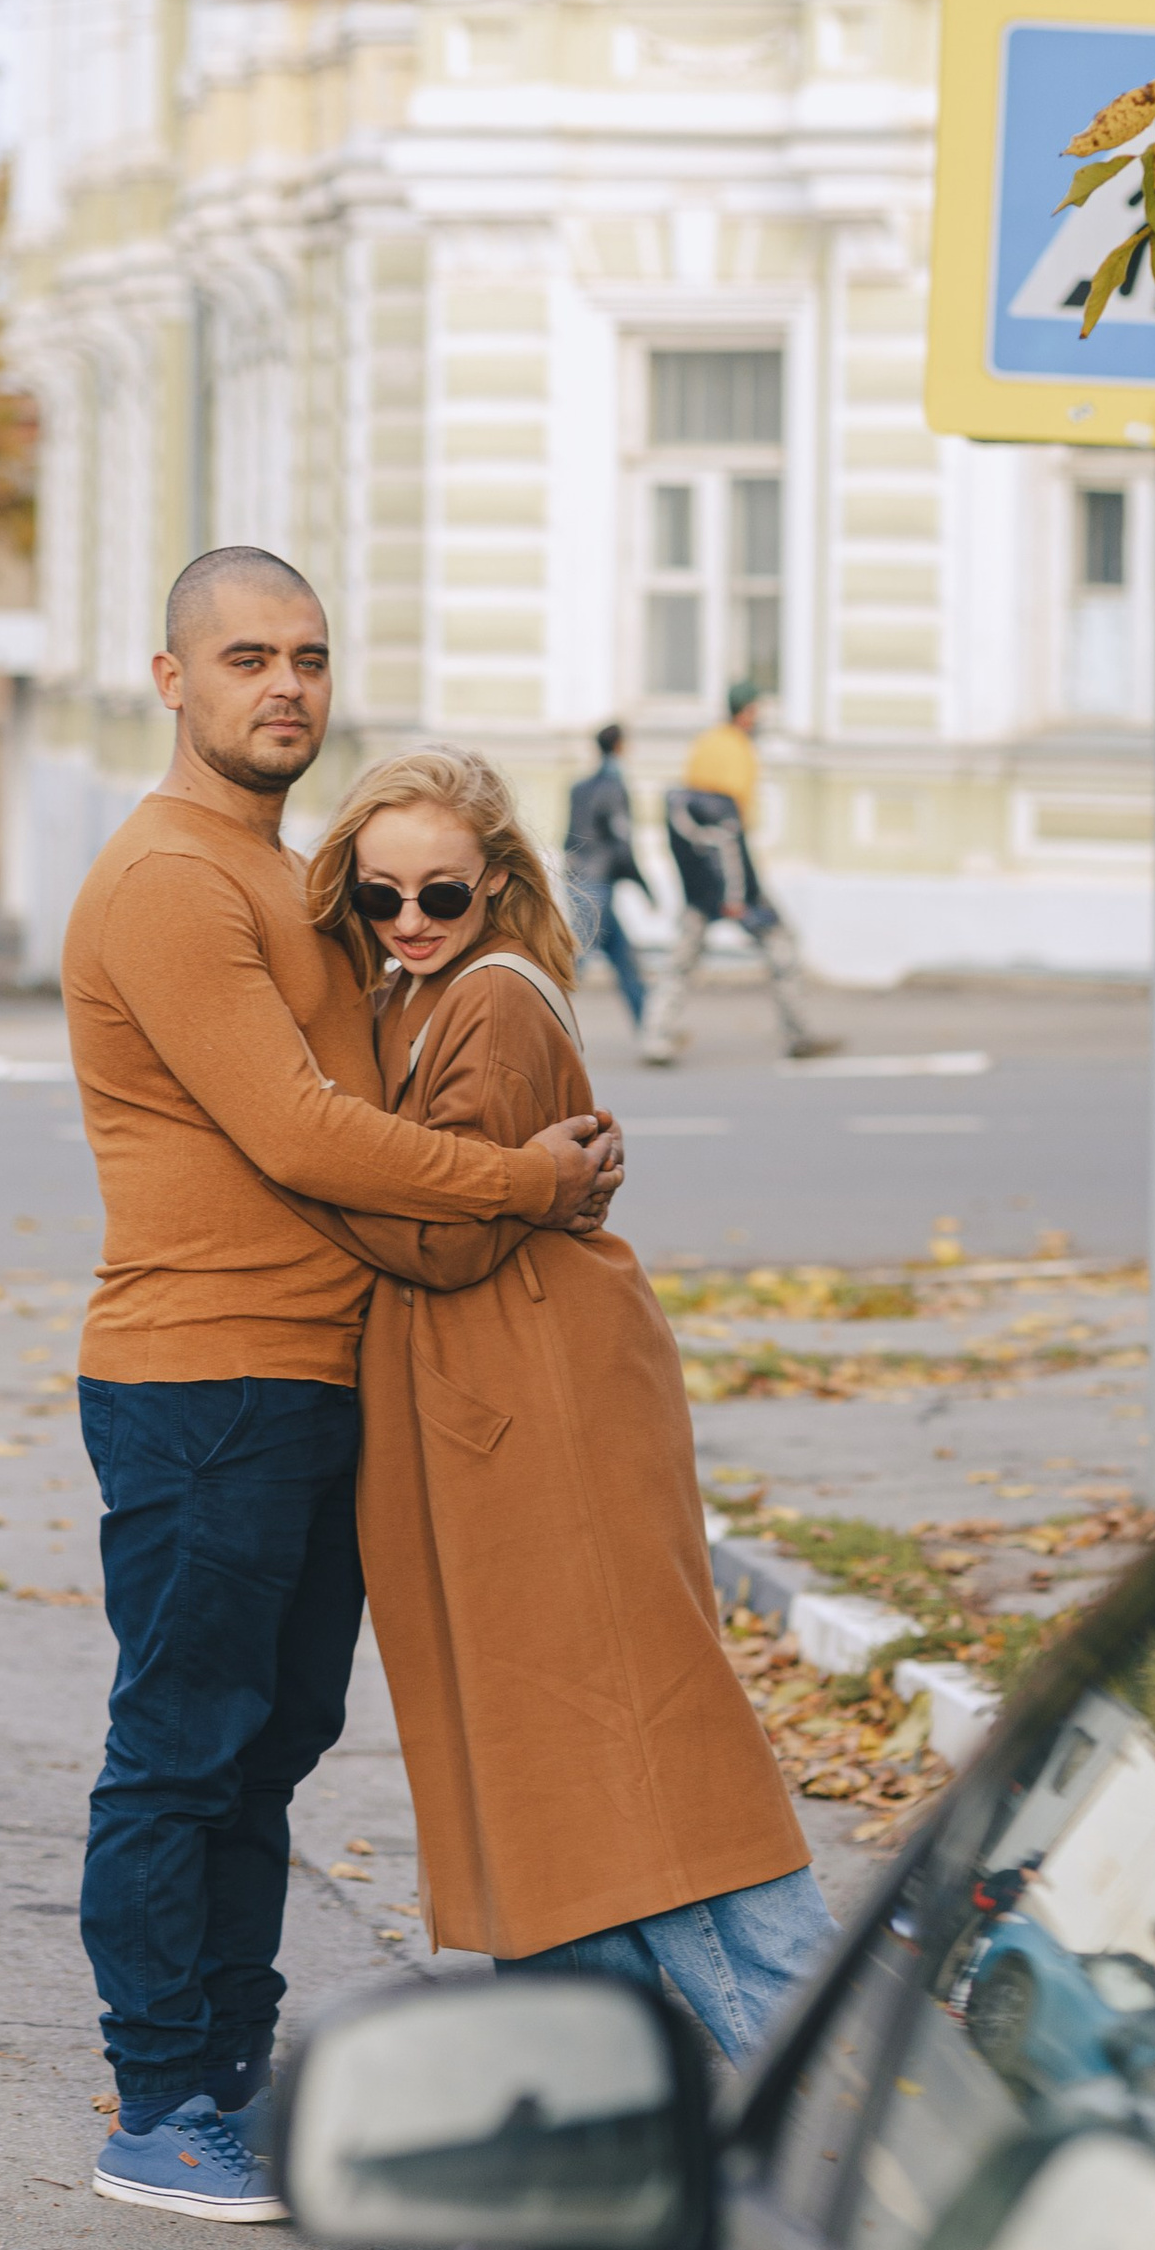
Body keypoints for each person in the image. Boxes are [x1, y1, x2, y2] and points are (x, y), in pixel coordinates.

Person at [60, 549, 625, 2220]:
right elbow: (301, 1134)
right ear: (174, 679)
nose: (285, 684)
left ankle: (227, 2076)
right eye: (246, 656)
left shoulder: (297, 874)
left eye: (308, 655)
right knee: (182, 1745)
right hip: (204, 1375)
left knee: (270, 1741)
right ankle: (161, 2103)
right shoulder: (170, 881)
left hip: (310, 1376)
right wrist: (531, 1182)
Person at [308, 743, 834, 2060]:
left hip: (541, 1425)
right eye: (383, 899)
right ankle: (608, 2115)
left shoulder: (488, 1004)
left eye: (444, 895)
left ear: (499, 883)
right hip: (507, 1415)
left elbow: (444, 1237)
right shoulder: (410, 998)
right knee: (558, 1784)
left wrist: (305, 1163)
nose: (413, 924)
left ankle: (855, 2112)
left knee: (632, 1780)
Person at [640, 677, 836, 1065]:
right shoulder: (740, 751)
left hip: (699, 874)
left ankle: (656, 1035)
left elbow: (694, 816)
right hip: (732, 872)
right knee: (781, 945)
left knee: (683, 957)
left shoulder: (706, 743)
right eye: (756, 712)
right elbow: (729, 825)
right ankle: (798, 1033)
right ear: (746, 713)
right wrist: (735, 893)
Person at [562, 719, 654, 1026]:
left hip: (578, 877)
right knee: (575, 963)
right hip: (598, 883)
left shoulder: (580, 787)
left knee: (622, 956)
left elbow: (570, 837)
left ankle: (651, 1026)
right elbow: (622, 843)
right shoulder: (615, 787)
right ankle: (532, 1024)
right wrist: (644, 885)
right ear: (620, 746)